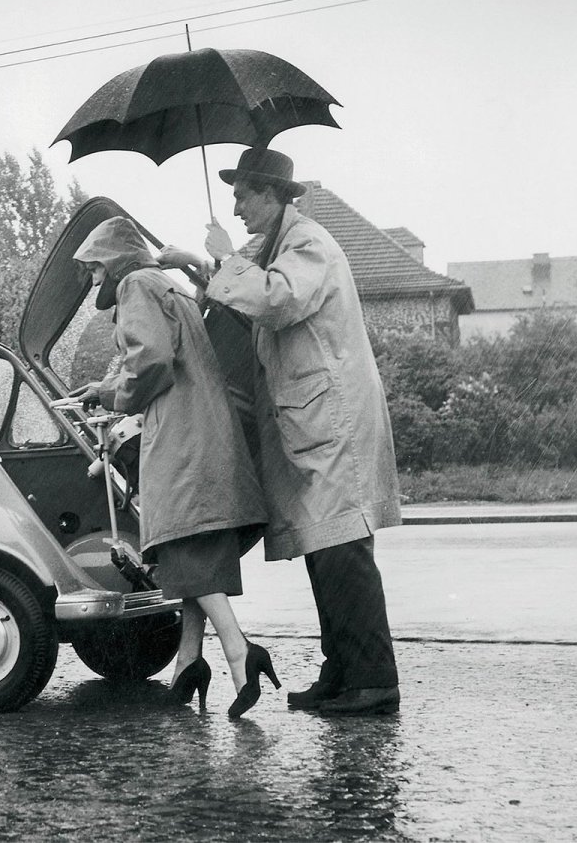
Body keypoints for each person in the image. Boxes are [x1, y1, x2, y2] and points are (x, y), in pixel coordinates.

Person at [159, 147, 402, 716]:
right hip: (316, 419)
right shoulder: (279, 248)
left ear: (272, 194)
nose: (237, 205)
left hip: (332, 420)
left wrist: (222, 257)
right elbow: (253, 311)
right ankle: (341, 673)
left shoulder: (307, 243)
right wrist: (204, 266)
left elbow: (278, 298)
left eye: (244, 193)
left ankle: (373, 681)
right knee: (325, 548)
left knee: (342, 550)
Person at [73, 215, 276, 718]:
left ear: (115, 261)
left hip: (180, 432)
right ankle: (189, 663)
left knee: (181, 544)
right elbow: (168, 353)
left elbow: (153, 361)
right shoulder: (170, 286)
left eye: (95, 267)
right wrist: (103, 390)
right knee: (194, 547)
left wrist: (117, 399)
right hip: (207, 426)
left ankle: (240, 652)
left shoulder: (137, 285)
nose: (93, 280)